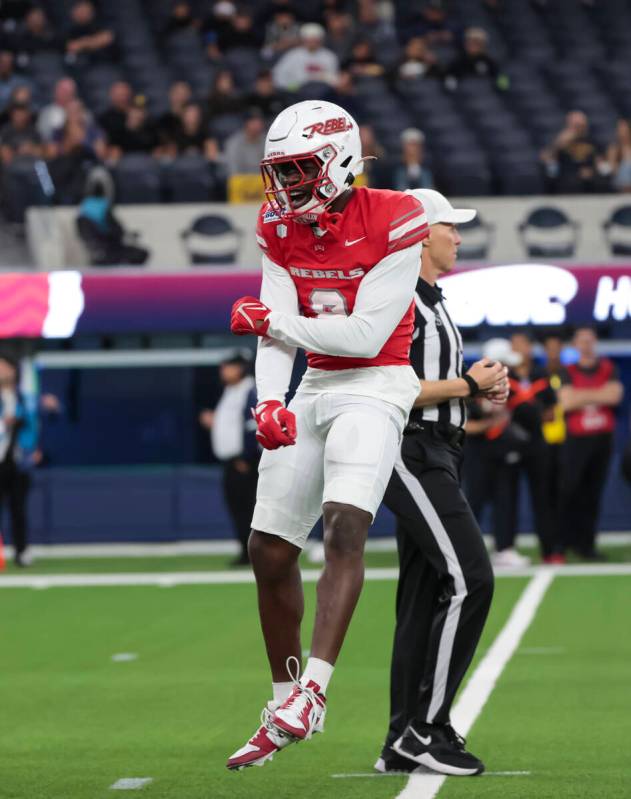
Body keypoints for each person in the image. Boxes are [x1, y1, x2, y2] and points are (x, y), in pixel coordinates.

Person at [225, 99, 430, 770]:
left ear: (340, 160)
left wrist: (275, 328)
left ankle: (315, 687)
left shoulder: (397, 215)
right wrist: (266, 400)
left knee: (345, 522)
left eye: (299, 169)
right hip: (314, 383)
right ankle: (284, 695)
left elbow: (366, 334)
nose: (284, 186)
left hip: (377, 380)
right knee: (268, 549)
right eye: (279, 171)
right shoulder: (277, 224)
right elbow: (272, 319)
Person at [375, 189, 507, 776]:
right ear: (421, 233)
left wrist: (478, 388)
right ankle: (426, 729)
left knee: (423, 597)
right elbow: (394, 386)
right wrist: (470, 386)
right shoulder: (400, 297)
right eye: (450, 227)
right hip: (411, 449)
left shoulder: (434, 299)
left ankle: (402, 735)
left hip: (442, 449)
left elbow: (440, 382)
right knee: (470, 578)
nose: (458, 236)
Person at [558, 327, 624, 559]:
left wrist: (581, 395)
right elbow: (566, 402)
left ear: (595, 341)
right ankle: (564, 543)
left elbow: (614, 396)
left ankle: (587, 545)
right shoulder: (567, 371)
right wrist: (599, 393)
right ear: (575, 344)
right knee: (569, 491)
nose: (586, 344)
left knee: (593, 494)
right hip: (576, 439)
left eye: (590, 340)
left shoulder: (609, 368)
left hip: (602, 439)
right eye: (581, 340)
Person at [199, 353, 258, 567]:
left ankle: (253, 553)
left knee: (248, 509)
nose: (224, 370)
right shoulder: (231, 391)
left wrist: (245, 457)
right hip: (232, 462)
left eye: (229, 366)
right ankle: (246, 551)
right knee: (238, 508)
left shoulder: (250, 389)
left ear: (241, 367)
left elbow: (253, 426)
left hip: (244, 462)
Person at [0, 356, 38, 568]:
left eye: (4, 366)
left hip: (17, 461)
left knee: (18, 509)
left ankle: (22, 551)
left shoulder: (23, 398)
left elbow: (32, 425)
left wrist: (32, 449)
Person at [540, 111, 608, 194]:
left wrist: (593, 171)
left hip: (590, 177)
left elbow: (602, 163)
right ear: (569, 125)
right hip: (567, 177)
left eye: (582, 126)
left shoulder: (592, 142)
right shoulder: (560, 141)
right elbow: (546, 159)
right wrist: (558, 144)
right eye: (576, 126)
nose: (579, 129)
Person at [272, 23, 339, 91]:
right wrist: (291, 87)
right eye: (309, 40)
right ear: (303, 40)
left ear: (320, 40)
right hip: (296, 93)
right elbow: (278, 75)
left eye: (315, 40)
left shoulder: (329, 56)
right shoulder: (292, 55)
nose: (312, 43)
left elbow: (334, 79)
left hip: (322, 94)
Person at [65, 1, 116, 66]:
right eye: (79, 10)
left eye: (84, 11)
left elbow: (107, 37)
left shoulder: (100, 23)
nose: (81, 13)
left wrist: (83, 43)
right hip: (77, 66)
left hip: (103, 63)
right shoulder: (70, 29)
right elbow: (70, 47)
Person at [223, 108, 265, 175]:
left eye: (259, 121)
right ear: (246, 123)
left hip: (263, 181)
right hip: (242, 182)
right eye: (253, 121)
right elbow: (233, 171)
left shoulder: (266, 141)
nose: (257, 125)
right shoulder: (234, 143)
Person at [393, 128, 434, 192]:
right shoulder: (395, 165)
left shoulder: (429, 165)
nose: (412, 149)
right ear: (403, 146)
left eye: (415, 145)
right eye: (409, 144)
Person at [606, 118, 631, 193]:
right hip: (620, 183)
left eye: (624, 130)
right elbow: (613, 169)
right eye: (620, 130)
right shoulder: (614, 148)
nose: (622, 132)